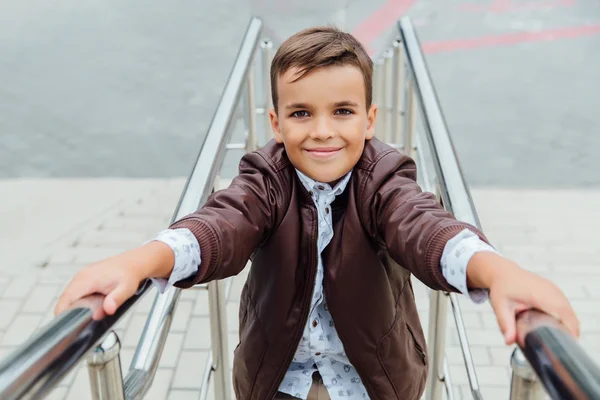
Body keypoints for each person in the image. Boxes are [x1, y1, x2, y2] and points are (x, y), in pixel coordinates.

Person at [54, 26, 579, 400]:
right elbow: (222, 223)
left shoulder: (384, 178)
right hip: (277, 376)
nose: (323, 130)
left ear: (370, 119)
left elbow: (426, 229)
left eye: (343, 111)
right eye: (302, 113)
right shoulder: (266, 177)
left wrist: (499, 271)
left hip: (374, 379)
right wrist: (141, 261)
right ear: (276, 123)